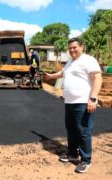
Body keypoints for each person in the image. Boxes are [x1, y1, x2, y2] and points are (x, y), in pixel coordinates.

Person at [45, 37, 102, 173]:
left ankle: (86, 160)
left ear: (82, 46)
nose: (72, 50)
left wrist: (93, 99)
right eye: (70, 48)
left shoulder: (88, 60)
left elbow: (97, 78)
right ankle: (73, 154)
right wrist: (50, 76)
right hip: (69, 102)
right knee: (71, 129)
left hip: (83, 102)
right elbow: (62, 73)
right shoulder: (70, 62)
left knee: (83, 131)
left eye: (74, 47)